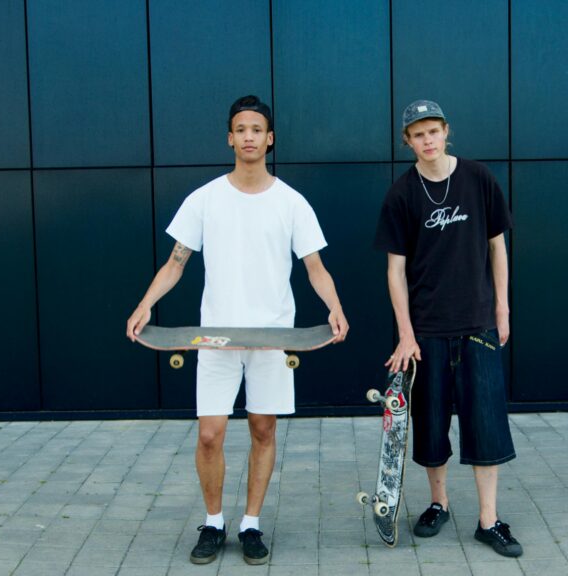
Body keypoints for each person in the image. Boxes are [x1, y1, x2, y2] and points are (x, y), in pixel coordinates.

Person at [126, 95, 349, 565]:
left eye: (257, 129)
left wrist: (335, 307)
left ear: (270, 138)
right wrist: (145, 304)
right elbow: (176, 262)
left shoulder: (291, 202)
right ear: (230, 138)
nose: (249, 137)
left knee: (263, 429)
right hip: (216, 337)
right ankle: (213, 522)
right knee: (210, 434)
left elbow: (315, 267)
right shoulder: (204, 198)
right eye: (241, 129)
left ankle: (250, 523)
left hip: (272, 338)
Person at [373, 100, 521, 557]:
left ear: (446, 131)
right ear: (408, 141)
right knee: (431, 424)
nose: (428, 140)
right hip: (428, 330)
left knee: (486, 423)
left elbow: (497, 247)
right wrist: (406, 332)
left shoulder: (478, 179)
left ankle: (489, 520)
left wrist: (502, 309)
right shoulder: (402, 194)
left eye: (434, 131)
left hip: (477, 323)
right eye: (418, 134)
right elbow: (395, 271)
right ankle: (438, 503)